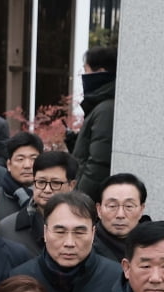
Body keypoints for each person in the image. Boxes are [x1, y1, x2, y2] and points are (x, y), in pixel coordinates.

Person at [11, 192, 122, 292]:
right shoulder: (20, 280)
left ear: (93, 233)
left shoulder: (116, 279)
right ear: (45, 232)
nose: (69, 243)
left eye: (79, 232)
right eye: (60, 231)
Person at [0, 151, 79, 256]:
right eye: (41, 182)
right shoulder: (8, 228)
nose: (47, 190)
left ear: (71, 185)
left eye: (55, 183)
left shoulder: (84, 226)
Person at [71, 47, 117, 201]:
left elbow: (98, 165)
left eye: (85, 70)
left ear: (100, 72)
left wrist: (78, 199)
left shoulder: (105, 110)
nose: (82, 76)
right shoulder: (102, 106)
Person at [93, 173, 151, 263]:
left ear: (141, 210)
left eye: (129, 206)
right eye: (112, 206)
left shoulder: (157, 243)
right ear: (99, 210)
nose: (120, 215)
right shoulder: (85, 247)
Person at [0, 132, 44, 220]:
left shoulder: (51, 196)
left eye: (33, 159)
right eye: (20, 159)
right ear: (9, 165)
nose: (27, 165)